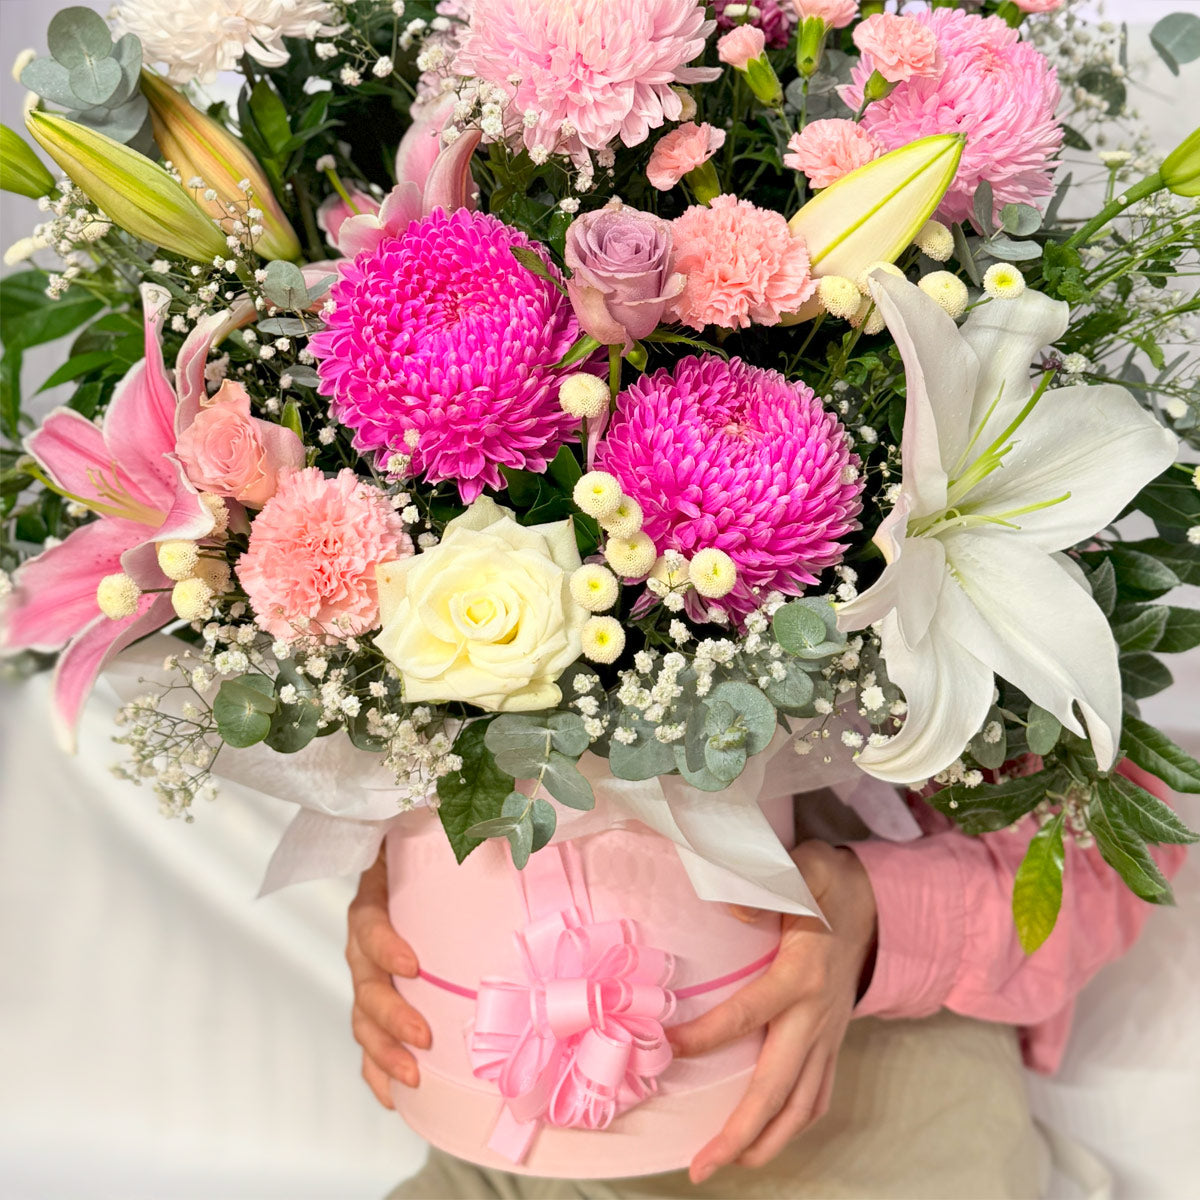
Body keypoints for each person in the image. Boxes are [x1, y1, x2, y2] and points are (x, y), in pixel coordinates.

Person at [346, 761, 1184, 1198]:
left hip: (879, 1140)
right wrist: (404, 888)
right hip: (525, 1152)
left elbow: (1119, 841)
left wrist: (877, 917)